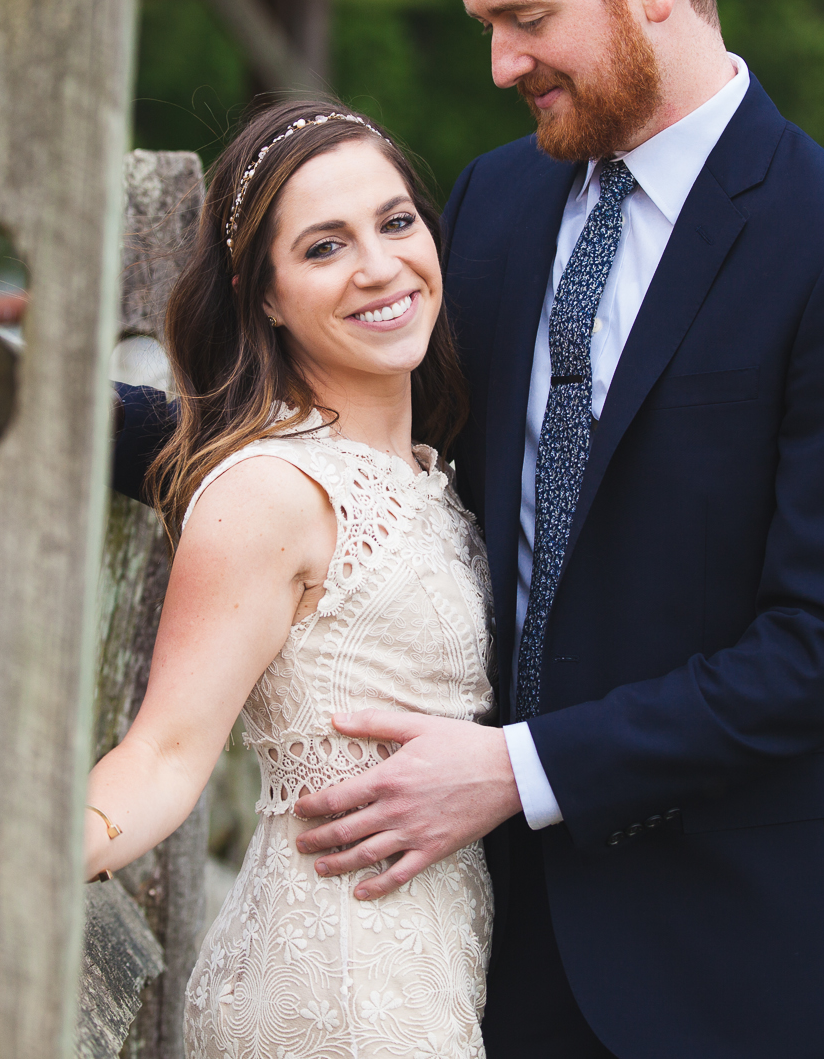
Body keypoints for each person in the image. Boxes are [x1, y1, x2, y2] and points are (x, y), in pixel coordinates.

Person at [115, 0, 824, 1059]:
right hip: (505, 945)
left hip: (751, 948)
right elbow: (368, 465)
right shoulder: (497, 200)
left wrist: (515, 770)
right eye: (486, 28)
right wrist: (73, 424)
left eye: (525, 21)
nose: (501, 66)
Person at [84, 99, 497, 1058]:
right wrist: (32, 863)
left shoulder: (423, 473)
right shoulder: (274, 490)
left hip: (430, 964)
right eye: (324, 247)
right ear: (263, 294)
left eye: (397, 222)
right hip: (337, 990)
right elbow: (166, 753)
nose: (381, 266)